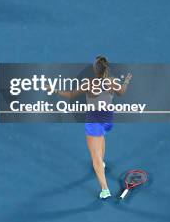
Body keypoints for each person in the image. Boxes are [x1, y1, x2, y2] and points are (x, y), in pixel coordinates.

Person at [55, 56, 132, 199]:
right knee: (101, 137)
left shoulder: (88, 84)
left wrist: (54, 90)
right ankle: (101, 164)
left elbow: (71, 95)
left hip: (94, 122)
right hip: (108, 121)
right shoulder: (113, 82)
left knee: (94, 156)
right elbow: (122, 92)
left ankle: (105, 189)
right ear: (107, 68)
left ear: (95, 69)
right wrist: (126, 81)